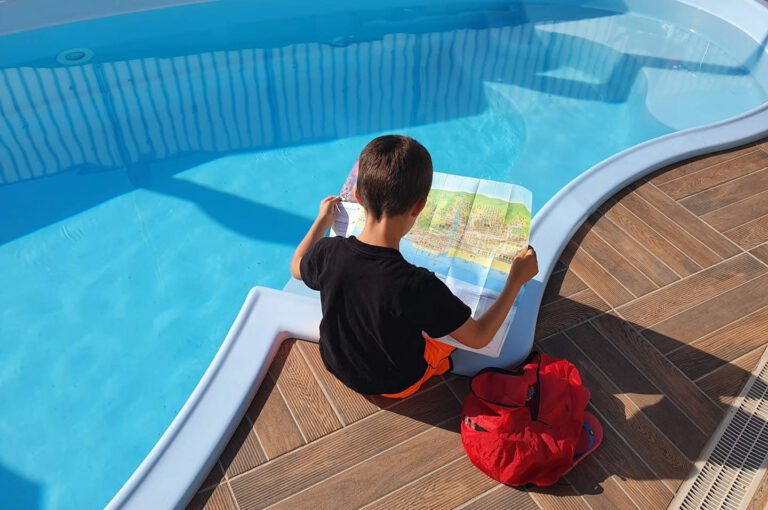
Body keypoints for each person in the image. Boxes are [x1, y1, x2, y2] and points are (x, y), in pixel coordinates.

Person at [290, 135, 538, 398]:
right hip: (395, 383)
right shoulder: (418, 285)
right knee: (448, 341)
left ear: (358, 196)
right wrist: (515, 281)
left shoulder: (329, 252)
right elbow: (479, 337)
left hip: (335, 359)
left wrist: (321, 220)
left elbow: (296, 267)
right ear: (419, 207)